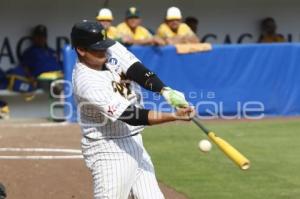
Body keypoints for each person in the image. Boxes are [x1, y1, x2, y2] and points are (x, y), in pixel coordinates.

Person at [71, 20, 195, 199]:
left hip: (135, 142)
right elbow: (131, 115)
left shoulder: (110, 47)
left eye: (104, 45)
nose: (104, 51)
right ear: (81, 50)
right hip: (108, 150)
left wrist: (165, 91)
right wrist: (174, 116)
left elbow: (137, 70)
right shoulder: (86, 82)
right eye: (97, 48)